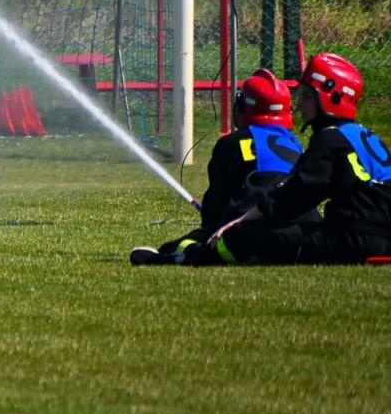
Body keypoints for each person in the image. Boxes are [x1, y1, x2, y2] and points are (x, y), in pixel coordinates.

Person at [198, 52, 391, 265]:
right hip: (382, 238)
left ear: (331, 99)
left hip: (354, 239)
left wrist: (242, 220)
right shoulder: (363, 135)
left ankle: (195, 257)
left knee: (244, 235)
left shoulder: (330, 140)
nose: (300, 104)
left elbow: (296, 194)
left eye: (307, 96)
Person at [130, 68, 305, 265]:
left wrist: (213, 224)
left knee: (183, 244)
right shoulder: (296, 145)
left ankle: (166, 255)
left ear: (242, 108)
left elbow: (216, 203)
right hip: (294, 232)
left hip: (243, 231)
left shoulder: (231, 143)